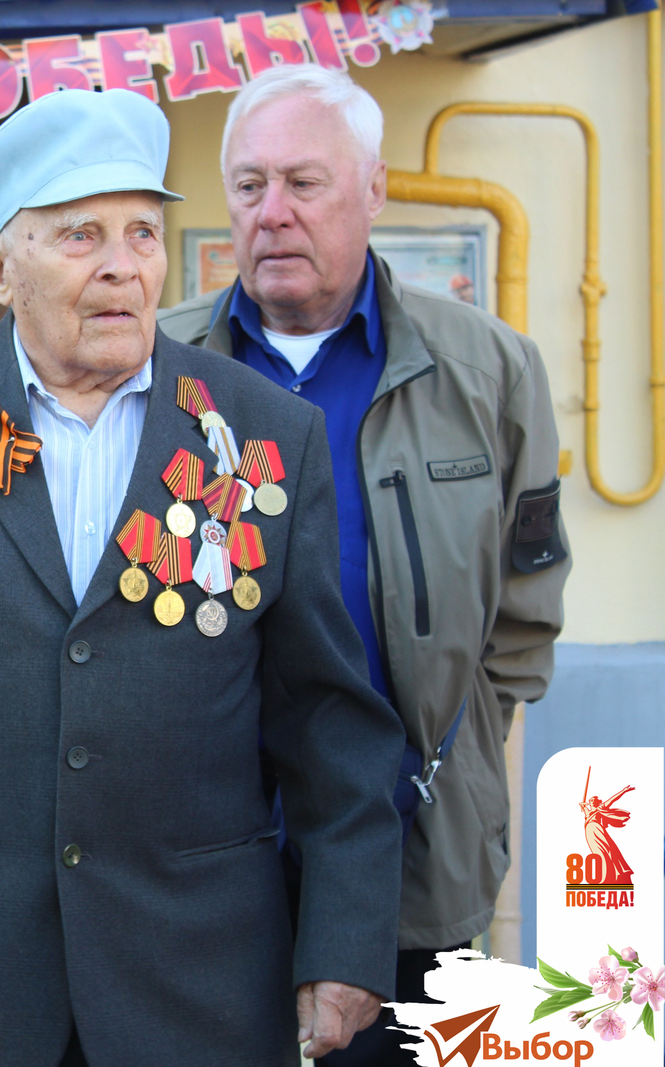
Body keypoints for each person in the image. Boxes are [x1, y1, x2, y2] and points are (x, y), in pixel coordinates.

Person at [0, 87, 406, 1066]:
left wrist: (346, 940)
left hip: (199, 984)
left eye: (142, 232)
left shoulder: (258, 432)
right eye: (79, 235)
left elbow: (328, 718)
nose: (121, 266)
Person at [160, 65, 570, 1063]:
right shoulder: (162, 367)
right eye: (249, 185)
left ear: (373, 190)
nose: (272, 213)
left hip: (409, 847)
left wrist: (446, 750)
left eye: (305, 183)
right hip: (201, 857)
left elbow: (525, 611)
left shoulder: (488, 370)